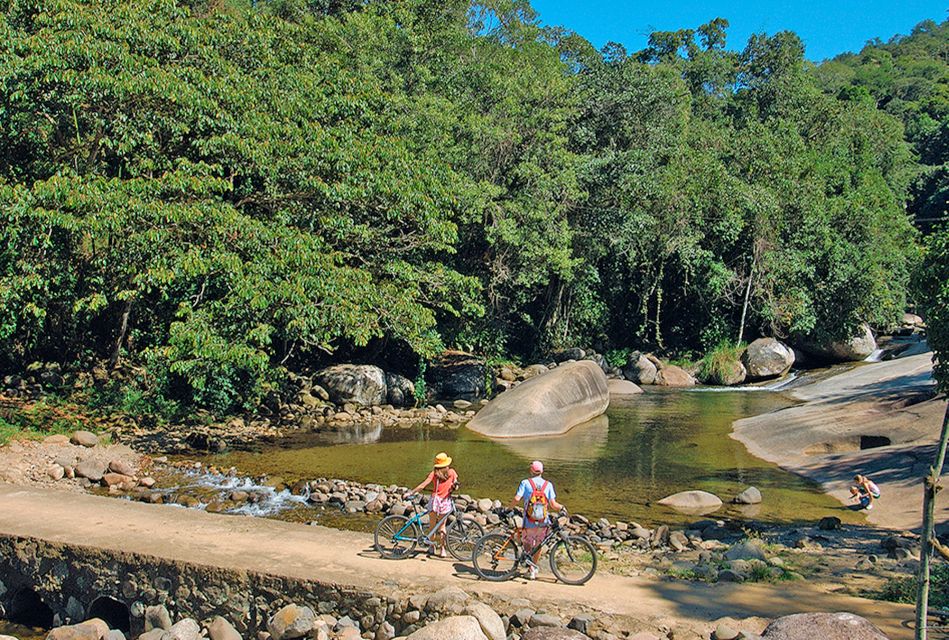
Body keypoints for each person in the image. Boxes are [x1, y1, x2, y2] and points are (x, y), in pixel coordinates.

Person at [512, 460, 563, 580]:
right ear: (542, 471)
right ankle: (533, 568)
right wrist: (563, 508)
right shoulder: (548, 485)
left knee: (528, 543)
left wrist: (508, 508)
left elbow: (517, 498)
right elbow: (553, 504)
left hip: (529, 519)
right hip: (543, 521)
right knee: (539, 545)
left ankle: (530, 569)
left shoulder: (525, 483)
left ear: (531, 470)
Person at [408, 452, 458, 558]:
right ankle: (443, 550)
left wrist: (411, 492)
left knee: (432, 525)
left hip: (435, 501)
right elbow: (456, 484)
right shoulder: (452, 472)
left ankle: (431, 547)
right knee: (442, 527)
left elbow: (423, 484)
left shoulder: (434, 473)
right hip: (444, 501)